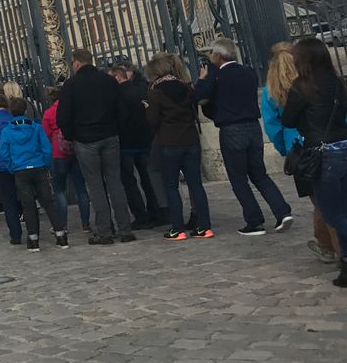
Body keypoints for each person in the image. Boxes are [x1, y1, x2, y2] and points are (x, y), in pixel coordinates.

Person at [193, 38, 292, 236]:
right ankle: (282, 211)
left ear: (218, 56)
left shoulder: (216, 74)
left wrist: (203, 79)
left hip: (231, 129)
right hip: (253, 127)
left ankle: (254, 221)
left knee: (238, 178)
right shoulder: (248, 72)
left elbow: (199, 96)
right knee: (259, 174)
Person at [280, 37, 347, 287]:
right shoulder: (337, 82)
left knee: (332, 212)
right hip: (343, 145)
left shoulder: (302, 86)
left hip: (322, 152)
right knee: (343, 208)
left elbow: (288, 120)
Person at [263, 42, 337, 264]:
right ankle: (327, 243)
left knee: (321, 201)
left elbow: (273, 125)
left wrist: (285, 148)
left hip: (300, 149)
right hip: (330, 140)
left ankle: (330, 246)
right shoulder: (313, 81)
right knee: (328, 199)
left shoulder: (271, 89)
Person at [57, 48, 135, 245]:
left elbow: (63, 116)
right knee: (115, 182)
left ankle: (104, 232)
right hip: (109, 135)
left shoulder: (71, 85)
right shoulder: (109, 81)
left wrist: (71, 136)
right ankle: (125, 229)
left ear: (76, 63)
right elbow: (123, 109)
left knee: (95, 185)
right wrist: (117, 129)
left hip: (85, 139)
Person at [144, 52, 213, 241]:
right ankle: (204, 226)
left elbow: (152, 120)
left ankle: (177, 228)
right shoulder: (186, 87)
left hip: (169, 141)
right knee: (195, 184)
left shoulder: (155, 92)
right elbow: (194, 111)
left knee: (171, 186)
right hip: (190, 139)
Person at [1, 98, 68, 251]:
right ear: (25, 110)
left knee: (28, 204)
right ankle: (61, 235)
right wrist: (45, 164)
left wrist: (12, 167)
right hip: (38, 167)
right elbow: (47, 148)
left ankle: (33, 239)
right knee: (48, 202)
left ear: (11, 111)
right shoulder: (36, 127)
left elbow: (5, 153)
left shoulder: (7, 131)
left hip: (20, 169)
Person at [111, 63, 166, 228]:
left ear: (117, 78)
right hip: (144, 140)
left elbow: (119, 119)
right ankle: (156, 211)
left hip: (126, 144)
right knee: (148, 178)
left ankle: (140, 215)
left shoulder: (117, 95)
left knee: (129, 182)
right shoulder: (141, 90)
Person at [41, 87, 91, 233]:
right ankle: (85, 223)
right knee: (81, 188)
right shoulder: (73, 110)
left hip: (58, 153)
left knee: (59, 190)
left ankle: (62, 224)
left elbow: (46, 134)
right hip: (75, 151)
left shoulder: (49, 113)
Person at [0, 94, 22, 244]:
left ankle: (15, 234)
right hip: (19, 162)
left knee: (8, 200)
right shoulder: (14, 119)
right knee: (24, 196)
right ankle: (33, 230)